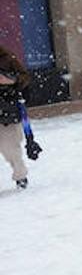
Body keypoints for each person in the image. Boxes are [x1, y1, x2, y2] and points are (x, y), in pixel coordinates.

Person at [0, 44, 31, 190]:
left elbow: (25, 77)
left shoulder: (7, 59)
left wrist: (11, 80)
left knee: (10, 148)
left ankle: (20, 176)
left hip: (5, 111)